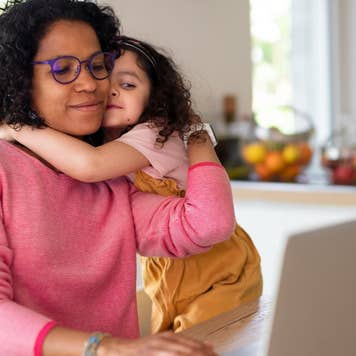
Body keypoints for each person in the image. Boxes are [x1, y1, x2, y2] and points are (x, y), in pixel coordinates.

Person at [0, 0, 236, 355]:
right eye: (63, 69)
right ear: (19, 81)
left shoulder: (113, 180)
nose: (90, 84)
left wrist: (195, 133)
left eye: (98, 66)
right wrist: (106, 348)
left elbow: (207, 225)